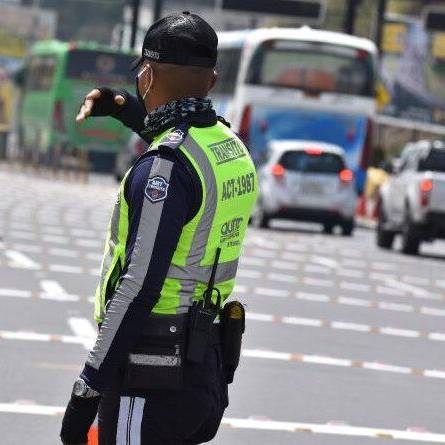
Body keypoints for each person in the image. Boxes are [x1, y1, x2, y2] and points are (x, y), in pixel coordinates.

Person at [60, 11, 257, 445]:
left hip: (151, 372)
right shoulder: (230, 148)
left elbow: (139, 286)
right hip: (203, 369)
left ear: (146, 77)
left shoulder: (164, 169)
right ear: (212, 80)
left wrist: (88, 387)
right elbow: (180, 134)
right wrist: (118, 106)